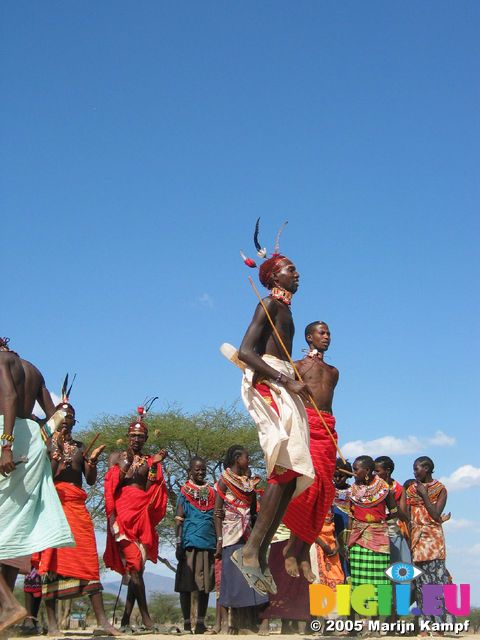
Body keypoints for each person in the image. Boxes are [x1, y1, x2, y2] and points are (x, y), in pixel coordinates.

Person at [235, 222, 314, 594]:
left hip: (283, 383)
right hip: (268, 385)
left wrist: (294, 375)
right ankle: (251, 550)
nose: (296, 272)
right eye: (289, 267)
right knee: (285, 463)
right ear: (272, 275)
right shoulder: (267, 303)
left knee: (295, 468)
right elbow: (246, 353)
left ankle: (259, 550)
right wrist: (285, 380)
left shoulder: (287, 311)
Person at [0, 337, 73, 633]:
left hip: (7, 441)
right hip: (32, 445)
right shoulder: (32, 368)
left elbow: (9, 398)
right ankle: (5, 614)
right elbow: (60, 414)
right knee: (8, 532)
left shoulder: (2, 362)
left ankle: (8, 606)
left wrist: (6, 445)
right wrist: (42, 436)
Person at [36, 393, 117, 636]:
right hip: (53, 505)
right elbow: (44, 477)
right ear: (54, 418)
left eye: (70, 416)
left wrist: (91, 463)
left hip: (77, 507)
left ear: (74, 421)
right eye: (61, 415)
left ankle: (103, 623)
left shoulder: (80, 447)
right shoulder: (46, 444)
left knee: (88, 558)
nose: (66, 419)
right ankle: (52, 625)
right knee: (51, 559)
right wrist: (54, 459)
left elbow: (90, 481)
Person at [282, 321, 339, 582]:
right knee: (309, 488)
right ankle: (292, 550)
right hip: (307, 426)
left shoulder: (334, 371)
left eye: (328, 333)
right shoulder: (297, 367)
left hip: (328, 428)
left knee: (326, 492)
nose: (326, 337)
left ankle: (304, 549)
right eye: (321, 332)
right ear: (309, 337)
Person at [104, 405, 168, 632]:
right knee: (133, 566)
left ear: (146, 438)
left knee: (137, 569)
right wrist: (127, 464)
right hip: (122, 515)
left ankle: (125, 620)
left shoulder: (150, 461)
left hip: (141, 516)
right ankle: (147, 620)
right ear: (127, 436)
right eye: (133, 436)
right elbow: (112, 485)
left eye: (140, 437)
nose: (136, 440)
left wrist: (156, 465)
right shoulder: (116, 457)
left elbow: (152, 488)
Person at [215, 446, 268, 634]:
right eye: (247, 457)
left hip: (247, 535)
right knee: (234, 580)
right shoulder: (224, 480)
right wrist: (219, 539)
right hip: (231, 535)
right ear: (238, 459)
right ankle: (232, 624)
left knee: (250, 577)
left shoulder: (248, 483)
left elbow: (253, 510)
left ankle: (250, 623)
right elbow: (217, 513)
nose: (249, 460)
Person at [406, 456, 452, 629]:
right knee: (420, 585)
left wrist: (424, 495)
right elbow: (405, 511)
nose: (414, 472)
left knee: (436, 584)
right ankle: (425, 625)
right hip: (417, 541)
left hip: (434, 541)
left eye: (417, 468)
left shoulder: (440, 489)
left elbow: (435, 514)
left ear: (427, 468)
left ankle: (439, 625)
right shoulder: (411, 490)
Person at [175, 457, 216, 634]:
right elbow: (179, 519)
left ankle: (200, 624)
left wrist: (219, 542)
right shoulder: (184, 491)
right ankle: (186, 624)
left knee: (204, 586)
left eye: (203, 470)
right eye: (197, 470)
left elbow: (217, 517)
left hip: (208, 543)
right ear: (190, 471)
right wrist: (178, 543)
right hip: (189, 542)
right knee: (186, 584)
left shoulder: (212, 492)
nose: (200, 472)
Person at [346, 456, 398, 595]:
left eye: (356, 470)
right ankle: (363, 612)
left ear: (367, 470)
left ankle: (378, 614)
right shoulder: (352, 491)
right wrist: (347, 543)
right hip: (357, 539)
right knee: (359, 579)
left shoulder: (383, 488)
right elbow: (351, 517)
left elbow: (394, 511)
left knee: (381, 579)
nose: (354, 472)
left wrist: (379, 521)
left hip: (379, 538)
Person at [374, 456, 411, 565]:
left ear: (388, 471)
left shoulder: (398, 489)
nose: (374, 474)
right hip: (375, 535)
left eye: (377, 471)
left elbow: (404, 516)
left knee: (399, 570)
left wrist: (392, 504)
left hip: (392, 533)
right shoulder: (371, 488)